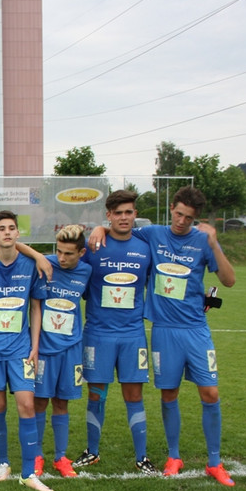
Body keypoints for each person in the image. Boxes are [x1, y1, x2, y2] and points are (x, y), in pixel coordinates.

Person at [92, 186, 237, 485]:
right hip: (163, 331)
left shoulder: (202, 240)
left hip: (196, 329)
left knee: (210, 392)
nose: (182, 221)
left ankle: (214, 462)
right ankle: (174, 456)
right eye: (179, 214)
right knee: (168, 393)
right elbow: (121, 228)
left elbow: (228, 280)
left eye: (189, 217)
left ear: (196, 218)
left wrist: (215, 242)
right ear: (171, 208)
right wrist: (98, 228)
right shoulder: (153, 234)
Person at [74, 190, 155, 474]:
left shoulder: (146, 244)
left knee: (134, 395)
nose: (124, 217)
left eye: (128, 212)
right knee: (96, 395)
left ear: (135, 214)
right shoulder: (95, 246)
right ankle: (92, 451)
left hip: (133, 335)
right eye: (117, 213)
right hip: (98, 334)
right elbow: (73, 276)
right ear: (108, 216)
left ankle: (142, 457)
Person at [0, 211, 50, 491]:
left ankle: (29, 472)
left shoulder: (31, 265)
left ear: (18, 234)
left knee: (27, 404)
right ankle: (3, 462)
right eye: (1, 229)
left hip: (21, 350)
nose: (7, 232)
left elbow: (36, 306)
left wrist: (35, 344)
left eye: (12, 228)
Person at [31, 225, 92, 479]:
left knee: (62, 402)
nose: (62, 258)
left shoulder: (87, 271)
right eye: (59, 251)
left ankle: (60, 457)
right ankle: (36, 456)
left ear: (81, 253)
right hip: (44, 348)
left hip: (71, 348)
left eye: (68, 253)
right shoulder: (45, 266)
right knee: (39, 402)